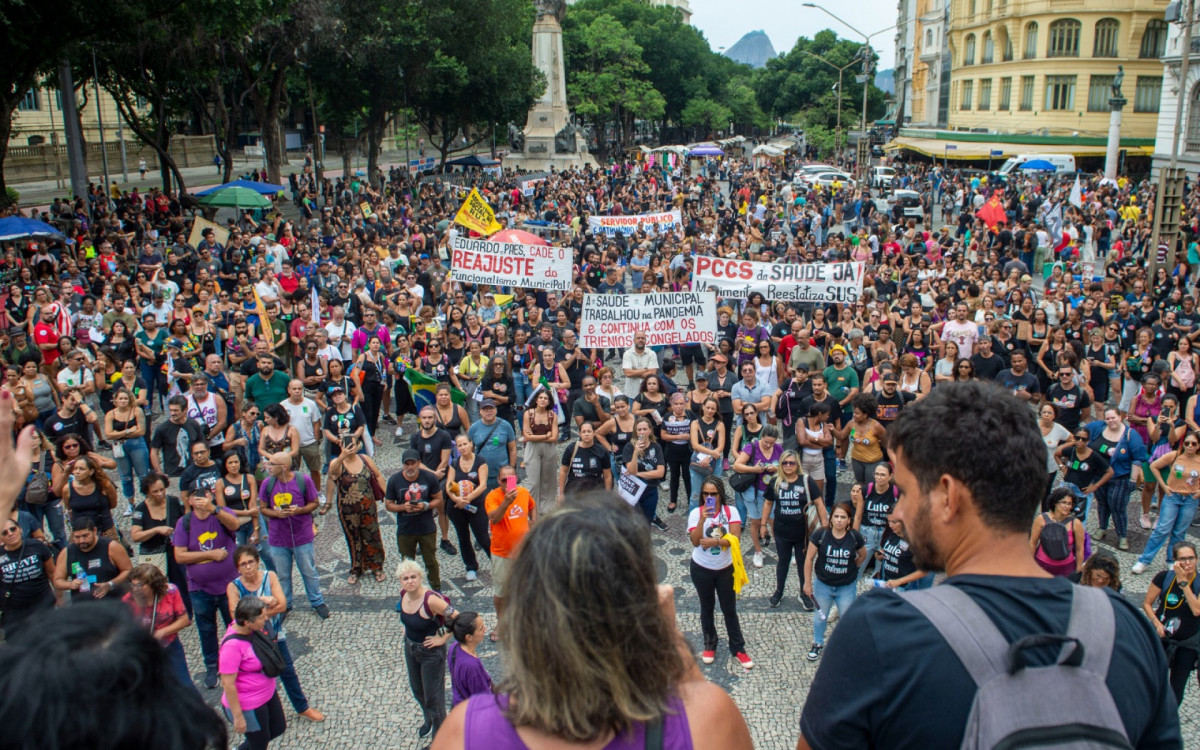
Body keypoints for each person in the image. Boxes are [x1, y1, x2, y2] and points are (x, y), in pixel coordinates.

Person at [797, 381, 1180, 749]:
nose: (898, 510)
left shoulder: (880, 630)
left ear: (947, 495)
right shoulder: (1126, 629)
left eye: (907, 491)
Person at [435, 498, 754, 750]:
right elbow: (696, 702)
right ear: (639, 613)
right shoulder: (708, 721)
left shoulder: (463, 733)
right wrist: (669, 637)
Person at [227, 545, 326, 723]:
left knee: (287, 670)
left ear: (257, 562)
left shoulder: (269, 576)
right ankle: (260, 707)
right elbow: (236, 616)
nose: (248, 567)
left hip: (273, 634)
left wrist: (252, 611)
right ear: (237, 568)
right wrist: (262, 601)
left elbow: (281, 605)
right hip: (249, 641)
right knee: (255, 674)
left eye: (251, 562)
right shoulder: (233, 587)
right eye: (243, 564)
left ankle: (302, 707)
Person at [173, 486, 241, 689]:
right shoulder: (184, 523)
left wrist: (214, 509)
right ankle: (212, 665)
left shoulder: (221, 513)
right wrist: (210, 555)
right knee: (206, 629)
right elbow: (180, 556)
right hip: (200, 588)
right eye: (196, 497)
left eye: (204, 496)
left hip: (228, 585)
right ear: (190, 501)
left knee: (235, 624)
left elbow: (235, 525)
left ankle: (239, 660)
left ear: (211, 496)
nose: (200, 500)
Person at [687, 477, 752, 669]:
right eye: (706, 494)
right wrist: (702, 520)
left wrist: (716, 542)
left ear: (720, 495)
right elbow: (695, 540)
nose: (709, 497)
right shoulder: (695, 514)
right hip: (702, 568)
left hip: (725, 569)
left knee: (729, 609)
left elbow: (735, 538)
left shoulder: (730, 512)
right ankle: (709, 643)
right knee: (706, 607)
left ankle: (738, 647)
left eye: (713, 494)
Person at [258, 451, 328, 619]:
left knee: (308, 571)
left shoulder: (303, 480)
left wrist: (300, 510)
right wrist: (274, 514)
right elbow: (263, 508)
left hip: (301, 536)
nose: (268, 465)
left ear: (284, 467)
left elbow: (314, 503)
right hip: (278, 538)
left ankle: (317, 601)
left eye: (272, 463)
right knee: (282, 574)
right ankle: (285, 604)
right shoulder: (267, 483)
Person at [397, 558, 456, 743]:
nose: (410, 581)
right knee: (418, 691)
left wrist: (443, 638)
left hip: (431, 654)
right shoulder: (404, 594)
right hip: (411, 647)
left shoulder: (431, 600)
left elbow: (457, 618)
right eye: (405, 578)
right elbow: (405, 616)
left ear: (420, 577)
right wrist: (407, 630)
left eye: (413, 577)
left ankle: (440, 739)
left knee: (434, 698)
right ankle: (428, 719)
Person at [218, 595, 287, 749]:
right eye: (262, 618)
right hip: (249, 703)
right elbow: (228, 684)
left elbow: (249, 601)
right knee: (259, 744)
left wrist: (269, 600)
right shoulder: (232, 647)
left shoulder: (248, 622)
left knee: (278, 728)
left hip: (267, 693)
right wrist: (238, 717)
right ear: (248, 622)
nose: (266, 620)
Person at [802, 501, 866, 662]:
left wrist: (853, 568)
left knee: (846, 618)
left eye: (843, 517)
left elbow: (862, 555)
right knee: (820, 617)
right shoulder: (821, 535)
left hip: (846, 586)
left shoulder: (854, 537)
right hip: (823, 584)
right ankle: (817, 643)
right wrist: (807, 583)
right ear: (831, 519)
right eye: (836, 516)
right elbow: (809, 559)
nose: (839, 520)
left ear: (849, 520)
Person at [762, 449, 822, 611]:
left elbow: (819, 504)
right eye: (785, 463)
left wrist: (825, 529)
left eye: (792, 463)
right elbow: (768, 503)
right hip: (781, 531)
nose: (788, 466)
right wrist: (763, 525)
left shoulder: (806, 481)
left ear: (797, 465)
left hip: (803, 533)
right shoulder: (775, 481)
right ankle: (779, 590)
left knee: (803, 562)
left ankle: (804, 592)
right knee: (783, 561)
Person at [1141, 540, 1200, 705]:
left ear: (1196, 559)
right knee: (1151, 678)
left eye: (1191, 558)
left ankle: (1167, 722)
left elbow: (1197, 610)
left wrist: (1183, 583)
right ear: (1175, 561)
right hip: (1162, 637)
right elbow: (1147, 603)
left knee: (1176, 688)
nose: (1187, 562)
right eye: (1182, 559)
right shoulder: (1164, 577)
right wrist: (1156, 623)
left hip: (1187, 644)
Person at [1133, 432, 1200, 575]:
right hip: (1173, 496)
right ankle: (1144, 560)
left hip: (1190, 499)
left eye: (1193, 443)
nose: (1189, 446)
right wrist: (1164, 486)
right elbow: (1154, 466)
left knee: (1179, 532)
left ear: (1198, 446)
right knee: (1162, 530)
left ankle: (1172, 560)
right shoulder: (1175, 455)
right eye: (1187, 443)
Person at [326, 434, 387, 583]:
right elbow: (332, 474)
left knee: (372, 534)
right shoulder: (337, 462)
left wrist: (387, 497)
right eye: (346, 445)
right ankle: (356, 567)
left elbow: (378, 476)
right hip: (348, 509)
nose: (350, 448)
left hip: (368, 507)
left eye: (352, 445)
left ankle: (376, 566)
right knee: (353, 538)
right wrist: (341, 457)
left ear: (357, 445)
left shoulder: (365, 459)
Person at [122, 563, 193, 688]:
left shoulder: (170, 591)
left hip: (170, 645)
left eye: (139, 585)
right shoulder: (128, 601)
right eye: (132, 585)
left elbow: (184, 619)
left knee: (184, 683)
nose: (135, 589)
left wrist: (162, 632)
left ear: (153, 584)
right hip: (144, 650)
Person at [484, 464, 534, 641]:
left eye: (510, 479)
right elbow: (494, 518)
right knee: (502, 591)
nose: (507, 483)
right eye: (503, 480)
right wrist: (506, 501)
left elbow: (531, 506)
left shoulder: (523, 492)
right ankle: (501, 621)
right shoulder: (492, 496)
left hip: (523, 553)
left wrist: (533, 523)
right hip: (502, 553)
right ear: (498, 480)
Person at [385, 449, 444, 592]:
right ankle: (407, 592)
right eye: (407, 464)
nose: (410, 467)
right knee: (407, 564)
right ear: (403, 465)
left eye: (413, 463)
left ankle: (436, 590)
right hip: (405, 529)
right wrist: (403, 507)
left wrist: (426, 506)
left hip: (426, 528)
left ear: (419, 463)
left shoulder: (429, 478)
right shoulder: (394, 480)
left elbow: (439, 499)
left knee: (430, 561)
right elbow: (388, 504)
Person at [732, 423, 783, 568]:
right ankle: (758, 551)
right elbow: (737, 465)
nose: (768, 445)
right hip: (753, 491)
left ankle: (781, 551)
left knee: (774, 522)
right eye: (766, 442)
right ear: (761, 437)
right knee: (755, 522)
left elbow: (789, 465)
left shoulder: (779, 449)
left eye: (771, 443)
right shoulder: (752, 447)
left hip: (771, 493)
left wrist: (777, 468)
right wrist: (754, 469)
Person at [445, 433, 491, 582]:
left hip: (476, 505)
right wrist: (456, 499)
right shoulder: (455, 463)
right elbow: (450, 484)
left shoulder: (480, 461)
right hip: (457, 507)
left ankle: (497, 564)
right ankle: (471, 567)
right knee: (463, 536)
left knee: (483, 537)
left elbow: (483, 485)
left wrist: (468, 499)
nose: (463, 447)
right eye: (460, 445)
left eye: (465, 444)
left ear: (471, 444)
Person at [53, 516, 132, 603]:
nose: (81, 540)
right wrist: (70, 584)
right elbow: (57, 581)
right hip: (83, 607)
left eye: (85, 535)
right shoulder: (67, 553)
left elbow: (128, 570)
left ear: (94, 531)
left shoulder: (111, 547)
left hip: (112, 603)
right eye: (77, 537)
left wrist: (110, 584)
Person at [0, 515, 57, 637]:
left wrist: (60, 598)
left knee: (49, 639)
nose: (10, 534)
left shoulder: (37, 546)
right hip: (14, 611)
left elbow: (52, 573)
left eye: (13, 529)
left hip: (43, 604)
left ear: (20, 529)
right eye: (4, 533)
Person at [1030, 487, 1086, 577]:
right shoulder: (1041, 519)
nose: (1067, 506)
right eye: (1064, 502)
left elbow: (1080, 549)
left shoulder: (1076, 523)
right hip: (1041, 565)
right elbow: (1032, 543)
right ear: (1055, 502)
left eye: (1070, 504)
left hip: (1065, 568)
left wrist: (1078, 570)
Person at [621, 417, 667, 528]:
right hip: (634, 489)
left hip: (650, 489)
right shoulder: (629, 447)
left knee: (647, 521)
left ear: (650, 430)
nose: (642, 432)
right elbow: (631, 470)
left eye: (644, 429)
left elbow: (660, 473)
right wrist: (636, 453)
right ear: (636, 432)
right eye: (639, 429)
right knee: (633, 521)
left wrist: (638, 474)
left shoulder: (656, 447)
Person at [467, 399, 516, 494]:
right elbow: (470, 451)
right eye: (485, 409)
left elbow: (513, 449)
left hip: (504, 473)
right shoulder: (473, 428)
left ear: (496, 410)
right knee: (483, 502)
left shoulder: (506, 425)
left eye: (491, 408)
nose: (488, 411)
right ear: (480, 411)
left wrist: (512, 469)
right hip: (482, 473)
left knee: (511, 498)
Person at [521, 389, 559, 508]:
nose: (543, 400)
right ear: (536, 400)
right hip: (532, 449)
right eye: (541, 398)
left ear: (549, 402)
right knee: (533, 482)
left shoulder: (553, 415)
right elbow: (527, 436)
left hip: (549, 449)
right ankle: (533, 509)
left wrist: (534, 437)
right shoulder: (528, 414)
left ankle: (546, 509)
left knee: (548, 481)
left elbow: (554, 438)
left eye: (545, 398)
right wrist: (545, 435)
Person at [446, 611, 492, 707]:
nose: (485, 629)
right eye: (481, 629)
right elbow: (482, 699)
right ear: (469, 637)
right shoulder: (472, 666)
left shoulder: (454, 647)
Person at [559, 422, 612, 498]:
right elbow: (563, 471)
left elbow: (607, 476)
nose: (586, 434)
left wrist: (608, 495)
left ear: (594, 433)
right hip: (573, 492)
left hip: (595, 492)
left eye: (589, 431)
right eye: (584, 432)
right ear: (579, 433)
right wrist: (561, 494)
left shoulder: (602, 451)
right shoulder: (571, 449)